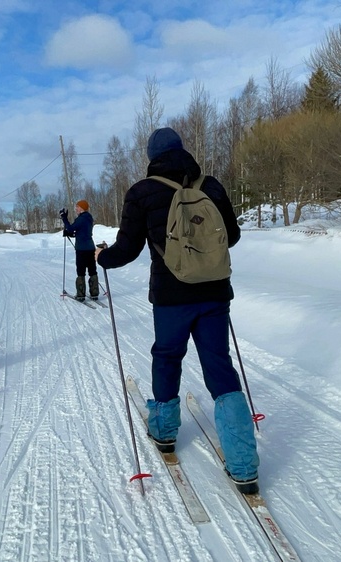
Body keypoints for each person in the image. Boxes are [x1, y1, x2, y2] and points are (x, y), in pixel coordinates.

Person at [95, 127, 259, 494]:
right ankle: (244, 464)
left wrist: (102, 257)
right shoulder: (211, 185)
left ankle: (165, 432)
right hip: (215, 291)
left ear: (151, 156)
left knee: (168, 356)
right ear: (182, 151)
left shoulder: (142, 192)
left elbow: (127, 249)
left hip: (171, 296)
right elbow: (230, 236)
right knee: (218, 364)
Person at [59, 200, 99, 301]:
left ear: (82, 208)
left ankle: (81, 294)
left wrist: (64, 218)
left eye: (77, 207)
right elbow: (82, 232)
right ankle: (94, 293)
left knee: (81, 271)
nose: (76, 208)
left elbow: (71, 228)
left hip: (82, 249)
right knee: (92, 270)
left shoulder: (81, 219)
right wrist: (71, 234)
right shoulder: (88, 218)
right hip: (90, 248)